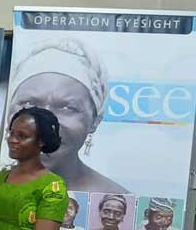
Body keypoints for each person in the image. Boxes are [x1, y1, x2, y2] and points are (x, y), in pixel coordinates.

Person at [7, 39, 128, 194]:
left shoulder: (114, 197)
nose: (45, 122)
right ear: (10, 112)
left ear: (94, 121)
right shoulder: (0, 184)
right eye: (30, 103)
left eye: (67, 107)